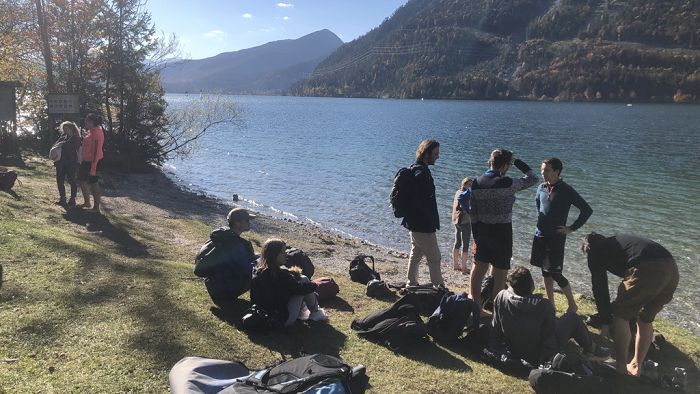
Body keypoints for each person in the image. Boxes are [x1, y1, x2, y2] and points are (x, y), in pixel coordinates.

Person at [581, 233, 679, 377]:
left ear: (588, 248)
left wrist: (606, 322)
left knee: (621, 315)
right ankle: (635, 366)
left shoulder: (595, 251)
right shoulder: (618, 244)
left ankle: (621, 366)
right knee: (645, 318)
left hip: (648, 265)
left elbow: (600, 288)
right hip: (671, 267)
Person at [458, 148, 538, 316]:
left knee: (479, 270)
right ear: (504, 165)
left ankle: (477, 308)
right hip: (502, 234)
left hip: (482, 233)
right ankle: (497, 312)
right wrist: (516, 160)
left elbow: (471, 208)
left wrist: (476, 228)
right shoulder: (507, 183)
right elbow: (533, 178)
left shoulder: (477, 183)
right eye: (508, 164)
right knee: (501, 274)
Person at [490, 266, 610, 367]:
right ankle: (592, 350)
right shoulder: (544, 305)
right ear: (532, 285)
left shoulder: (501, 296)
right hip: (537, 355)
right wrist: (546, 361)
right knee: (572, 317)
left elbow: (496, 329)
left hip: (512, 349)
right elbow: (549, 339)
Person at [530, 158, 592, 313]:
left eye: (547, 170)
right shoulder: (541, 187)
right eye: (542, 170)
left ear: (557, 171)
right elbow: (538, 204)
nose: (543, 173)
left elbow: (586, 210)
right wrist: (541, 221)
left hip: (555, 238)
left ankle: (572, 304)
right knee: (544, 271)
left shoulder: (566, 190)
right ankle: (551, 304)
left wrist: (571, 228)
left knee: (556, 273)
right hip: (540, 235)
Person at [251, 238, 328, 327]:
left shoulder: (258, 271)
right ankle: (315, 312)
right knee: (304, 279)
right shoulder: (280, 275)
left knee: (301, 281)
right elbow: (300, 289)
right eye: (282, 252)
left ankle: (304, 311)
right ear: (274, 255)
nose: (286, 254)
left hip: (259, 313)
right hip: (281, 318)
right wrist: (315, 285)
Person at [403, 139, 444, 288]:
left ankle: (411, 283)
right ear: (427, 154)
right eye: (435, 153)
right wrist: (429, 224)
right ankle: (439, 289)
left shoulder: (415, 169)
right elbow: (422, 204)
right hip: (422, 225)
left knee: (416, 253)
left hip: (413, 223)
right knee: (435, 258)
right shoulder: (422, 174)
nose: (437, 157)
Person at [202, 208, 260, 306]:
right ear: (237, 224)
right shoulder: (235, 244)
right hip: (223, 292)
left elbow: (233, 261)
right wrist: (260, 261)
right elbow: (245, 272)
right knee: (261, 270)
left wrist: (254, 257)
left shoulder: (222, 237)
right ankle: (262, 304)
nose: (249, 223)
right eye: (246, 221)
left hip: (214, 288)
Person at [78, 113, 104, 213]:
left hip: (94, 162)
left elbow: (97, 151)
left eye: (86, 120)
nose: (85, 122)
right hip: (86, 161)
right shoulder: (89, 132)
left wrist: (93, 168)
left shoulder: (97, 133)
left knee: (94, 182)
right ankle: (87, 202)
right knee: (81, 180)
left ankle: (96, 208)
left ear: (91, 122)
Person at [53, 121, 81, 206]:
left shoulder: (76, 138)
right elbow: (55, 146)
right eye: (63, 129)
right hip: (61, 162)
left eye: (66, 129)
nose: (64, 131)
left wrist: (62, 146)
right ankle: (62, 197)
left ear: (71, 129)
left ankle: (72, 198)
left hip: (71, 162)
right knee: (59, 180)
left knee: (72, 180)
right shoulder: (62, 138)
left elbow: (71, 149)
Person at [452, 177, 473, 274]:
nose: (471, 187)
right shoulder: (464, 195)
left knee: (457, 242)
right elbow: (464, 208)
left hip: (456, 220)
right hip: (464, 221)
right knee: (465, 245)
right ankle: (464, 267)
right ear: (464, 185)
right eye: (469, 185)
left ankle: (455, 264)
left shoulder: (458, 192)